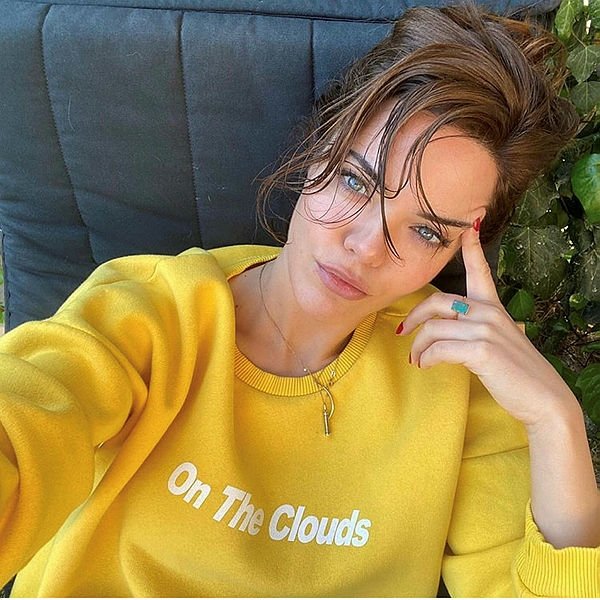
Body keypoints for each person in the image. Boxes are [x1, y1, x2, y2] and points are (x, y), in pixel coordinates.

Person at [0, 3, 598, 597]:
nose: (366, 246)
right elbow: (27, 418)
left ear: (458, 250)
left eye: (425, 231)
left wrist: (556, 421)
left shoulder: (461, 380)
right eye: (356, 180)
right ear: (317, 150)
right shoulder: (149, 315)